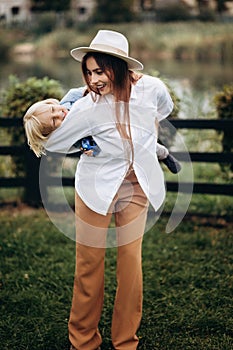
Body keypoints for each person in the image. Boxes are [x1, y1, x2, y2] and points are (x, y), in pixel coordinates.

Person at [42, 30, 176, 350]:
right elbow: (55, 141)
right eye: (88, 72)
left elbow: (164, 111)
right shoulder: (86, 104)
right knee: (89, 263)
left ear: (118, 67)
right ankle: (83, 340)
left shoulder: (153, 88)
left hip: (136, 183)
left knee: (130, 264)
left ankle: (125, 342)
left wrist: (145, 139)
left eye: (99, 71)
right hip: (94, 186)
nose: (93, 79)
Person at [24, 87, 181, 173]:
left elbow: (75, 92)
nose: (59, 113)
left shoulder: (67, 103)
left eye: (53, 109)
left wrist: (90, 91)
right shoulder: (64, 138)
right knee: (136, 144)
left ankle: (162, 154)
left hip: (112, 115)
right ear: (51, 133)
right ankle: (164, 155)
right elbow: (87, 149)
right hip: (105, 137)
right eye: (54, 120)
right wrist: (95, 149)